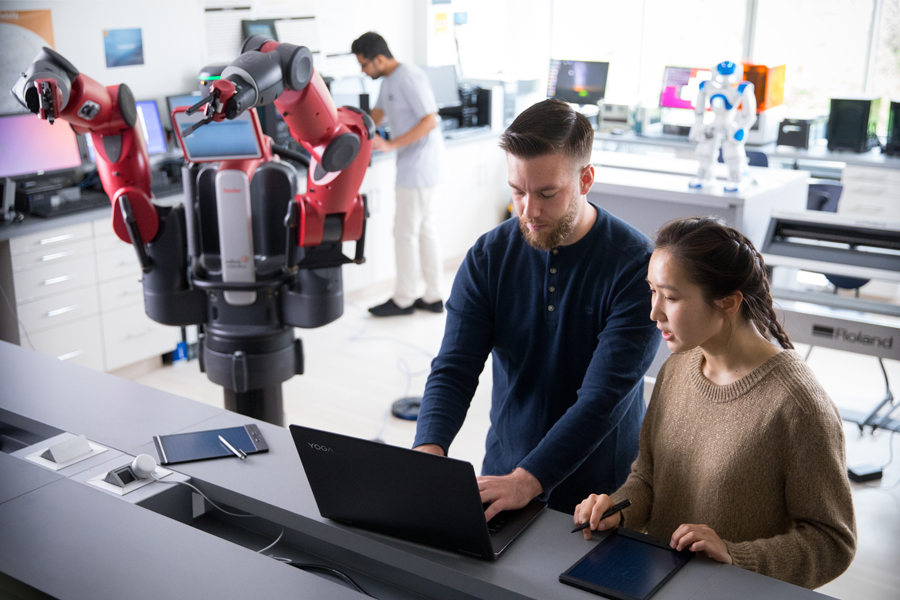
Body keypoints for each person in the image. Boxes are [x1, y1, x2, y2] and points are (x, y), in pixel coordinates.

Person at [574, 217, 857, 589]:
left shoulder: (798, 407)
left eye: (671, 297)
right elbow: (648, 478)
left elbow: (833, 541)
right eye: (652, 291)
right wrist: (618, 509)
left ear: (728, 303)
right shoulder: (677, 368)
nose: (654, 312)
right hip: (654, 585)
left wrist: (735, 556)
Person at [413, 99, 661, 520]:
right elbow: (454, 367)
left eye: (548, 193)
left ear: (585, 179)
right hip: (506, 474)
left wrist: (529, 480)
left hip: (601, 495)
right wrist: (427, 450)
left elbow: (602, 399)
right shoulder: (488, 256)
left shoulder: (636, 266)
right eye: (517, 191)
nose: (529, 211)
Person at [351, 32, 445, 317]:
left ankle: (404, 299)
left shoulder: (408, 77)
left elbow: (430, 119)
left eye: (365, 64)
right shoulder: (390, 79)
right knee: (424, 230)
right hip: (415, 166)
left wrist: (390, 144)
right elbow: (377, 113)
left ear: (380, 59)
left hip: (418, 167)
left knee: (404, 233)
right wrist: (352, 131)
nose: (363, 71)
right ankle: (433, 295)